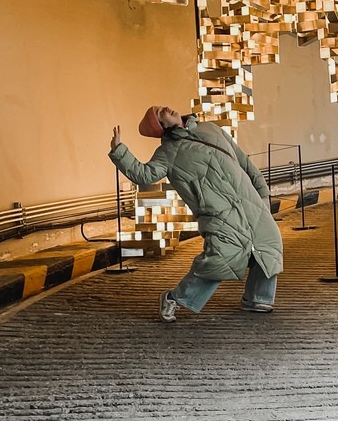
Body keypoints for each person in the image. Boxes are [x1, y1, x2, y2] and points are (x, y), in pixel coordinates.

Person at [109, 106, 283, 323]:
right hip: (216, 211)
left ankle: (257, 297)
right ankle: (174, 298)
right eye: (160, 112)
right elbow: (144, 175)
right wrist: (119, 151)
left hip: (249, 202)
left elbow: (242, 160)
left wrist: (262, 190)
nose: (166, 108)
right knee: (220, 257)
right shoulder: (167, 153)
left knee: (269, 241)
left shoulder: (210, 129)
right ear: (161, 126)